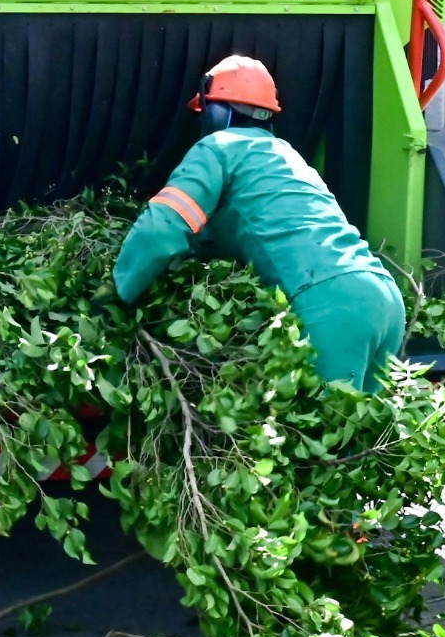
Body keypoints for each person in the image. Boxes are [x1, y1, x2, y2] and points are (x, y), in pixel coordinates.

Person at [112, 56, 405, 393]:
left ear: (216, 111)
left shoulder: (217, 149)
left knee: (322, 435)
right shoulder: (286, 155)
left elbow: (160, 229)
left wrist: (119, 292)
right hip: (383, 297)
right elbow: (239, 226)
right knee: (372, 438)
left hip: (330, 307)